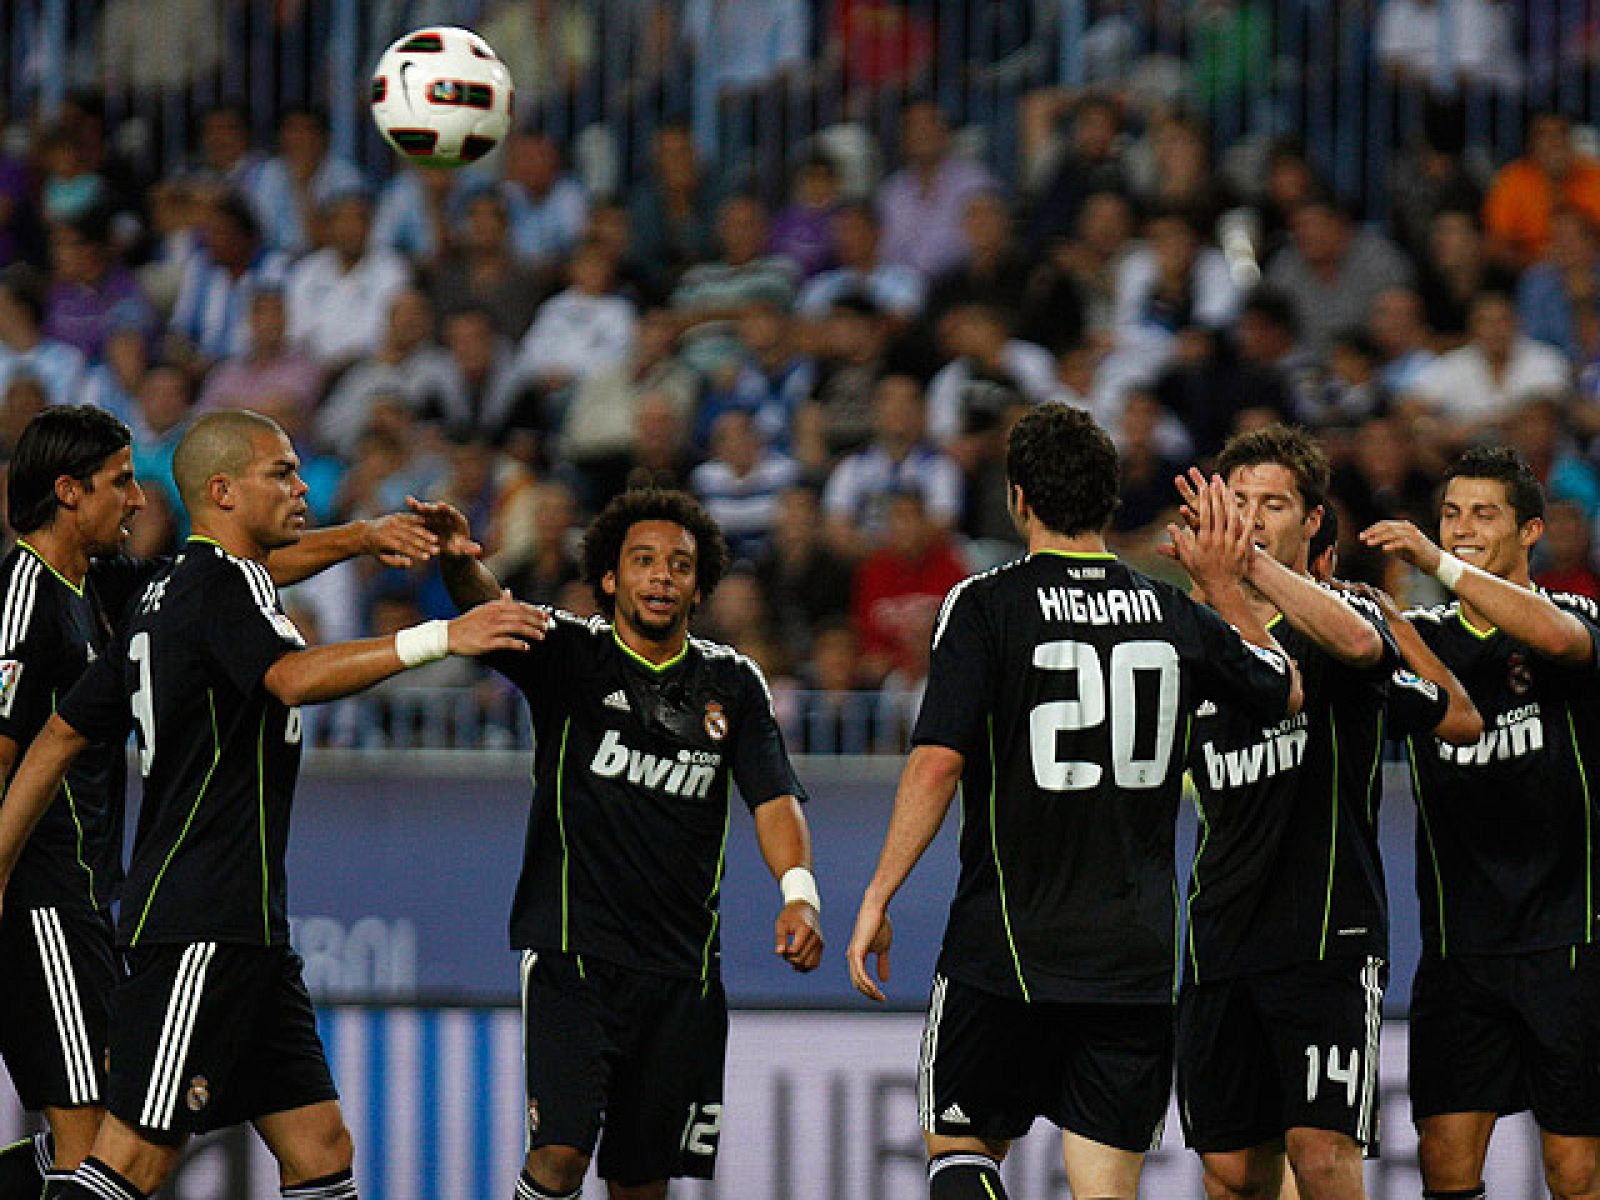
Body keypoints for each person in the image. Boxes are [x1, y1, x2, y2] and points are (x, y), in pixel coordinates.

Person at [0, 409, 547, 1200]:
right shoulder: (204, 587)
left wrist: (363, 536)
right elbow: (289, 678)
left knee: (319, 1145)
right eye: (282, 474)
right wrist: (443, 637)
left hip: (246, 927)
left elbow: (60, 732)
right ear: (222, 491)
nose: (300, 488)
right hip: (188, 922)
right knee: (123, 1160)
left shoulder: (158, 593)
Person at [846, 404, 1303, 1200]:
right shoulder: (1171, 611)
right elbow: (1282, 687)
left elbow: (934, 764)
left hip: (1006, 947)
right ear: (1111, 496)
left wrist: (880, 892)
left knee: (959, 1148)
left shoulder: (985, 604)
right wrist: (1229, 587)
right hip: (1132, 957)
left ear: (1019, 498)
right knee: (1103, 1187)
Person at [427, 486, 823, 1200]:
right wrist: (458, 561)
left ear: (699, 585)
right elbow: (491, 610)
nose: (661, 576)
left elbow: (773, 797)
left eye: (679, 564)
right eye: (643, 561)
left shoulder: (732, 685)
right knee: (560, 1156)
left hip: (681, 974)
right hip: (574, 955)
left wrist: (800, 896)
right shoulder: (571, 657)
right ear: (609, 577)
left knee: (642, 1184)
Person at [1175, 427, 1472, 1200]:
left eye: (1272, 504)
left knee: (1319, 1149)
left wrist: (1249, 567)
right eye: (1236, 503)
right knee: (1232, 1169)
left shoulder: (1337, 614)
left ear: (1312, 521)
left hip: (1324, 936)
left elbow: (1367, 654)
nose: (1250, 517)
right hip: (1220, 935)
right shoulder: (1190, 637)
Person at [1359, 447, 1600, 1200]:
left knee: (1574, 1168)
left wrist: (1439, 561)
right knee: (1446, 1163)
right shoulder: (1421, 637)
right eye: (1451, 514)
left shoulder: (1574, 616)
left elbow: (1560, 642)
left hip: (1566, 939)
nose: (1462, 528)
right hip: (1460, 950)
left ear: (1530, 531)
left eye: (1483, 515)